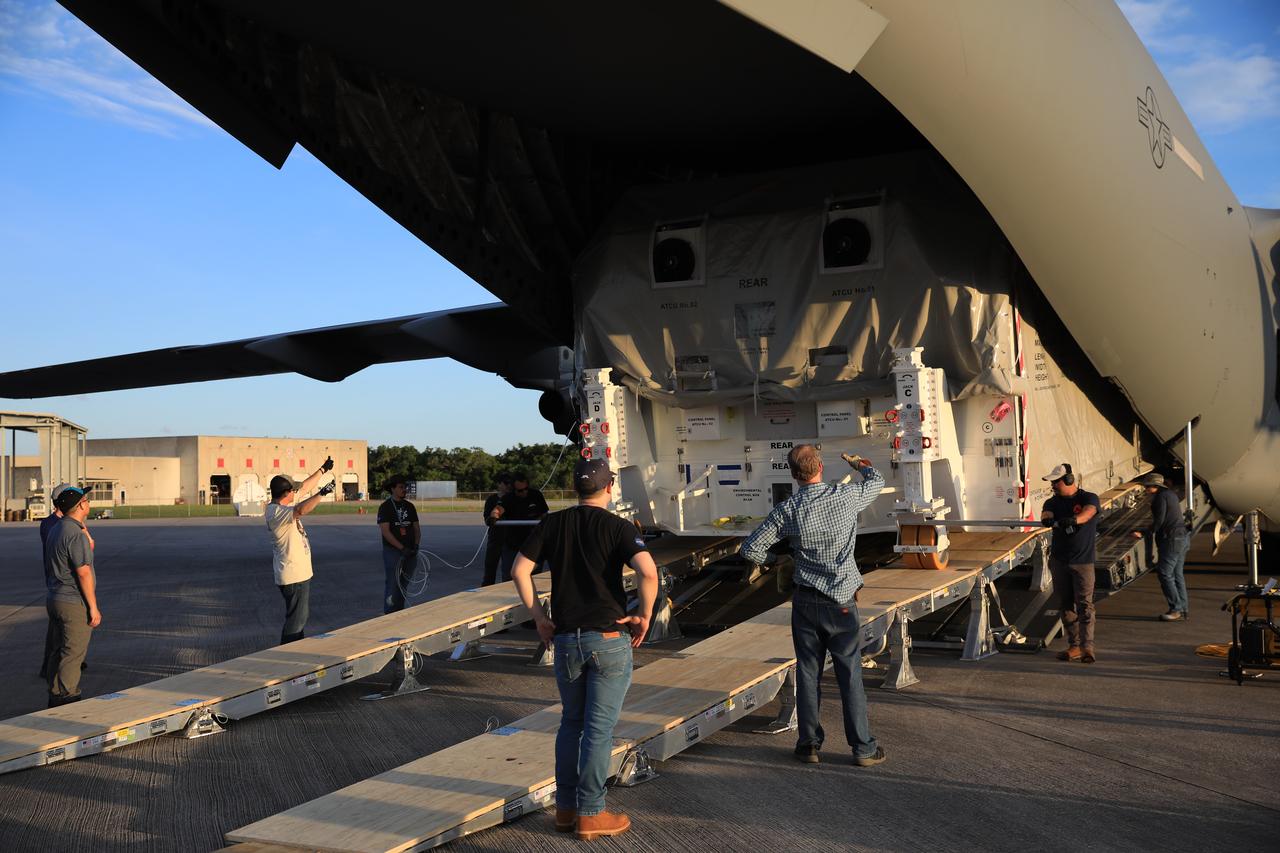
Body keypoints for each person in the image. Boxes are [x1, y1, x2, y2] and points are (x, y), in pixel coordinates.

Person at [511, 459, 659, 841]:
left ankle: (565, 809)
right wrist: (644, 615)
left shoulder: (552, 523)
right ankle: (591, 814)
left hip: (564, 639)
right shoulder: (619, 527)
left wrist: (540, 618)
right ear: (609, 487)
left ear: (576, 489)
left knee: (571, 725)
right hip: (606, 640)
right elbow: (648, 572)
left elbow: (519, 570)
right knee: (598, 731)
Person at [740, 446, 887, 768]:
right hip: (842, 601)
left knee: (808, 672)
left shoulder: (787, 509)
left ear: (793, 475)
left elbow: (750, 548)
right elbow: (875, 480)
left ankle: (808, 745)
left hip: (805, 601)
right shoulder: (846, 497)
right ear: (820, 467)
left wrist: (777, 559)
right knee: (850, 674)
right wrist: (857, 462)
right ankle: (862, 748)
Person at [265, 458, 335, 644]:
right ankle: (288, 660)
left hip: (297, 574)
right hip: (293, 576)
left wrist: (322, 470)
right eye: (292, 490)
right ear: (286, 493)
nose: (296, 492)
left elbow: (304, 487)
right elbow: (301, 510)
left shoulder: (281, 504)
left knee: (299, 619)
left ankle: (296, 651)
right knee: (297, 620)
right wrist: (322, 493)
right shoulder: (276, 512)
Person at [43, 485, 99, 707]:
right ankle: (69, 699)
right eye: (86, 499)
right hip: (73, 601)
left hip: (55, 597)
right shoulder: (75, 534)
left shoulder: (57, 528)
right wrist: (93, 607)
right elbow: (83, 572)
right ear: (80, 505)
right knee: (73, 653)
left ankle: (55, 694)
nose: (88, 502)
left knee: (58, 649)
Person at [1040, 463, 1102, 663]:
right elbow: (1046, 513)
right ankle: (1074, 646)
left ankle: (1087, 648)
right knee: (1065, 605)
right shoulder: (1052, 502)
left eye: (1056, 482)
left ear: (1068, 480)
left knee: (1085, 605)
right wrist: (1047, 519)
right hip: (1060, 560)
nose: (1053, 485)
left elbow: (1089, 512)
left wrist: (1075, 520)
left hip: (1082, 561)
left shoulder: (1088, 498)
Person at [1132, 472, 1189, 621]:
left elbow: (1159, 522)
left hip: (1171, 539)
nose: (1145, 489)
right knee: (1177, 575)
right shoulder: (1171, 494)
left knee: (1164, 573)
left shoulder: (1159, 498)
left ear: (1155, 486)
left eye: (1147, 487)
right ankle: (1183, 608)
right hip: (1182, 537)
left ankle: (1175, 609)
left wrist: (1144, 532)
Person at [378, 475, 422, 613]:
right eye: (401, 487)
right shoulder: (385, 507)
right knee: (392, 583)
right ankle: (389, 613)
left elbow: (416, 528)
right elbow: (385, 531)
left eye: (405, 487)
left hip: (410, 551)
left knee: (404, 583)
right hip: (393, 551)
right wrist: (401, 548)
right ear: (393, 489)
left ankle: (399, 610)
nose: (405, 490)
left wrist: (415, 545)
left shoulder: (410, 506)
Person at [497, 471, 549, 582]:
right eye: (520, 491)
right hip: (513, 544)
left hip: (534, 543)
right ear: (513, 489)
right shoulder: (508, 498)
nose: (524, 492)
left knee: (534, 576)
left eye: (526, 489)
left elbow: (545, 514)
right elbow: (497, 510)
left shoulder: (536, 495)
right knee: (510, 576)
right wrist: (493, 516)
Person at [481, 472, 514, 586]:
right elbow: (486, 518)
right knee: (490, 567)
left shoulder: (514, 498)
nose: (509, 486)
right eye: (506, 483)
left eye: (510, 483)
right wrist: (492, 518)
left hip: (511, 539)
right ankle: (486, 590)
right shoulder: (491, 499)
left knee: (509, 570)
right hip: (495, 538)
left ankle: (508, 591)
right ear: (499, 484)